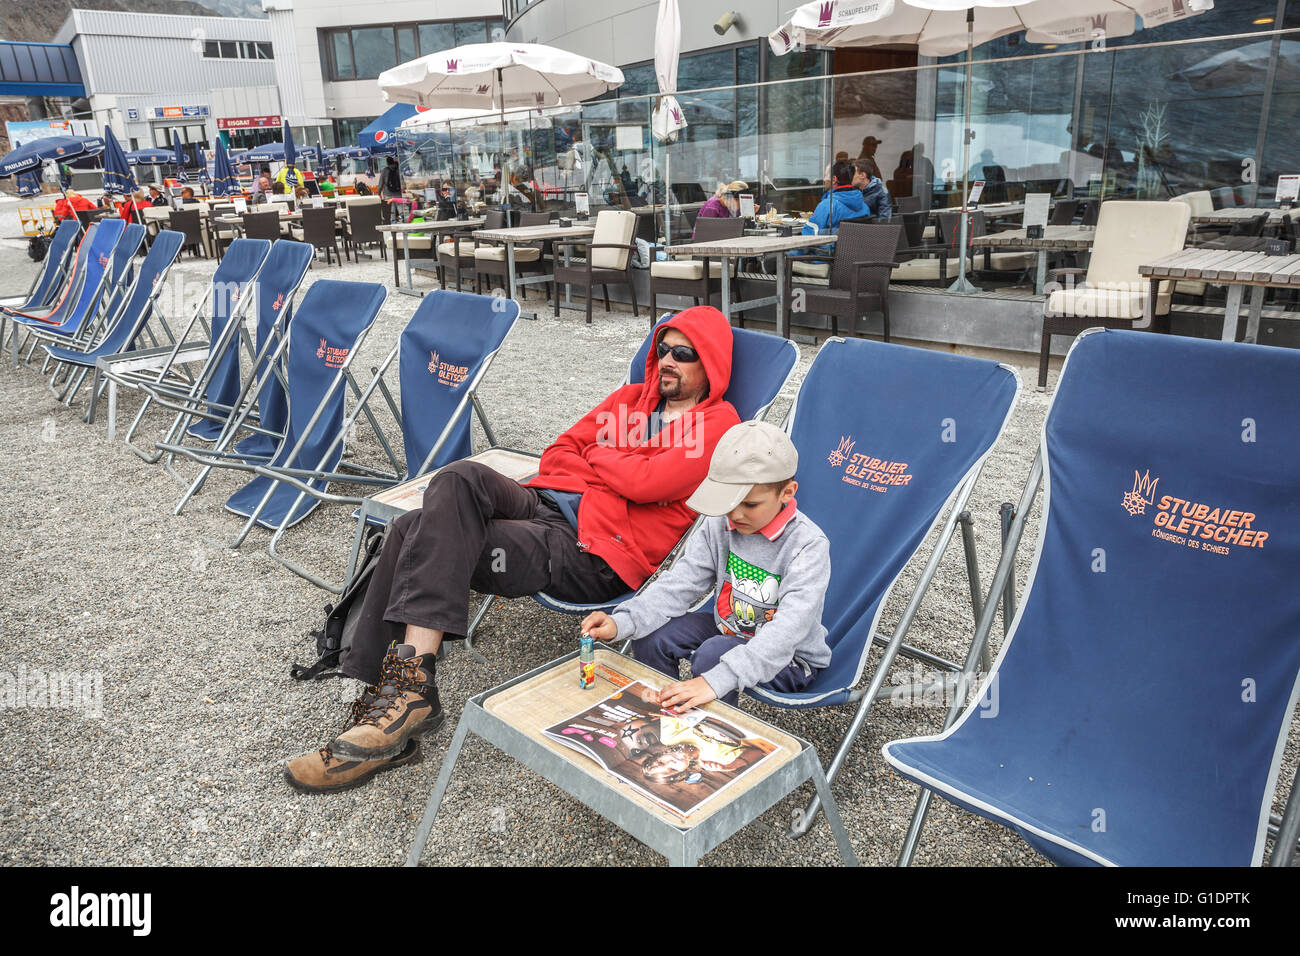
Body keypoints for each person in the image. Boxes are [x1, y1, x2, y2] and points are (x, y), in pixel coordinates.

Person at [285, 306, 743, 793]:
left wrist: (598, 455)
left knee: (412, 530)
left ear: (709, 363)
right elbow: (560, 450)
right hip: (542, 500)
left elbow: (648, 482)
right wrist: (607, 462)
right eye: (663, 349)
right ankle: (407, 692)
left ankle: (395, 700)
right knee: (458, 477)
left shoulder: (717, 426)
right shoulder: (631, 399)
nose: (668, 360)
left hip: (594, 549)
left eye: (684, 353)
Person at [582, 420, 831, 709]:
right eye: (728, 501)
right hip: (729, 628)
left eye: (750, 504)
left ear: (787, 493)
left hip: (790, 656)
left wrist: (718, 678)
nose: (736, 514)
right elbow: (682, 583)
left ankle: (715, 739)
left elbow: (789, 629)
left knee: (713, 656)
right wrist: (623, 621)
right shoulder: (720, 523)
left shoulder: (808, 545)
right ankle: (666, 713)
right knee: (651, 635)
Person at [799, 160, 871, 253]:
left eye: (825, 175)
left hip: (824, 259)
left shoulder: (827, 205)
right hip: (853, 259)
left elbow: (807, 236)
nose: (824, 179)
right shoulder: (865, 207)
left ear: (834, 179)